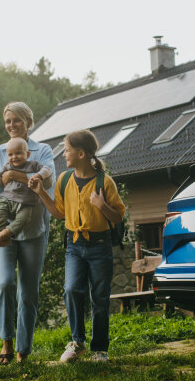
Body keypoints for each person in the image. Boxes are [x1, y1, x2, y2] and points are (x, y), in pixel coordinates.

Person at [29, 129, 125, 363]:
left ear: (81, 153)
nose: (64, 153)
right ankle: (77, 342)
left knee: (99, 298)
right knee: (71, 289)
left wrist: (101, 205)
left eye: (67, 149)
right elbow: (59, 214)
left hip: (100, 246)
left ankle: (100, 349)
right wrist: (41, 192)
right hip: (74, 245)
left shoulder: (104, 181)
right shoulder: (64, 180)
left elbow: (118, 217)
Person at [0, 102, 55, 364]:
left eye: (17, 121)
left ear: (28, 122)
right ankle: (6, 343)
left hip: (34, 229)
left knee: (28, 292)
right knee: (4, 283)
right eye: (8, 121)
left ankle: (24, 349)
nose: (12, 126)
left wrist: (14, 175)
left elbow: (47, 181)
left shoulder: (43, 150)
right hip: (1, 228)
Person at [0, 137, 52, 248]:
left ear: (27, 154)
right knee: (0, 212)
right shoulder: (6, 167)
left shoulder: (33, 165)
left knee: (24, 218)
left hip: (26, 201)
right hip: (7, 198)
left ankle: (8, 233)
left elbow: (48, 170)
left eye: (18, 153)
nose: (14, 157)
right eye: (10, 155)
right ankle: (1, 232)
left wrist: (38, 175)